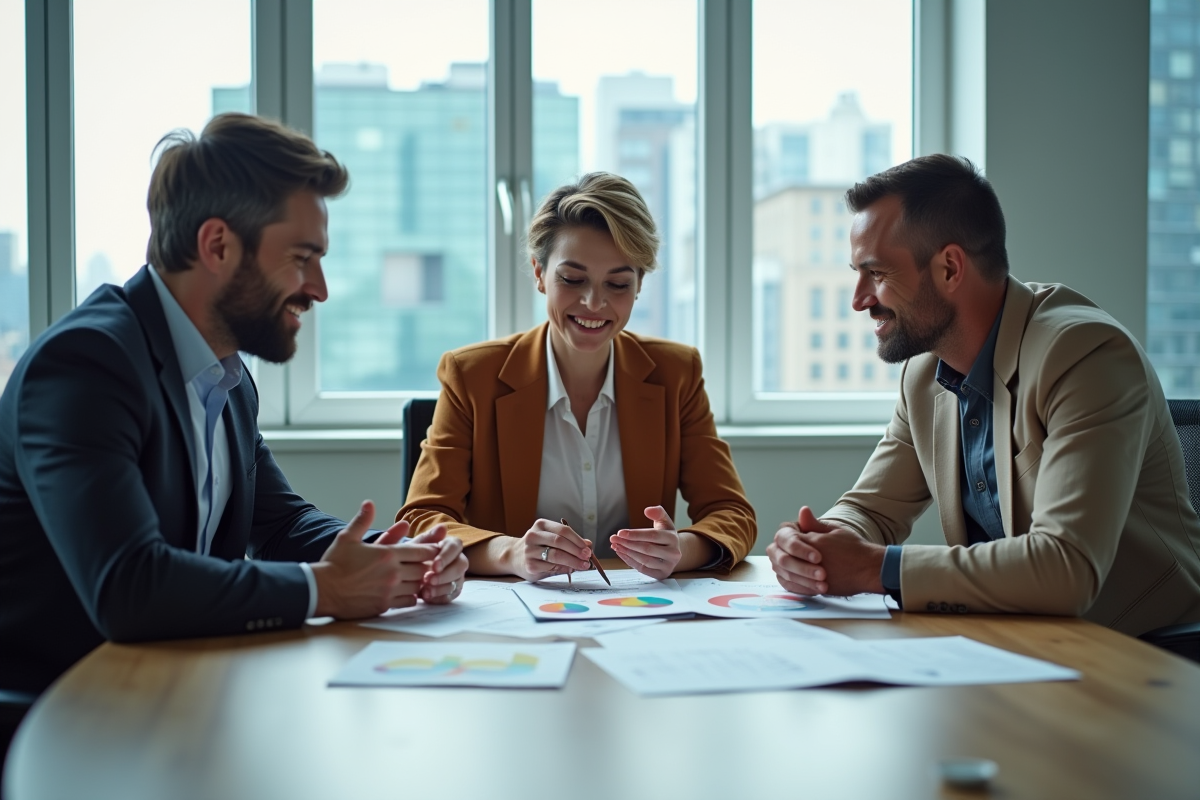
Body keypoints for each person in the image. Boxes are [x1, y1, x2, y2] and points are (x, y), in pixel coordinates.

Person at [0, 113, 469, 697]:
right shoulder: (87, 363)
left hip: (179, 691)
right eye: (302, 257)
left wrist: (392, 556)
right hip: (63, 717)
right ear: (218, 245)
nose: (319, 288)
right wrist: (325, 590)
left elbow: (279, 523)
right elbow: (127, 586)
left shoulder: (226, 376)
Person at [767, 154, 1200, 635]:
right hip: (1022, 644)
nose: (858, 299)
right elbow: (870, 509)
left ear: (950, 268)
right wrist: (817, 547)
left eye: (877, 274)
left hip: (1146, 653)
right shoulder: (924, 375)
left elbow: (1066, 568)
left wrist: (873, 568)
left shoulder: (1085, 355)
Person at [400, 172, 756, 581]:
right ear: (539, 273)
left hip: (640, 613)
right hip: (516, 615)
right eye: (572, 279)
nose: (594, 302)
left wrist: (682, 549)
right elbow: (421, 518)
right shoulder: (472, 376)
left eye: (618, 283)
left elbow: (732, 514)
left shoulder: (675, 373)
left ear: (639, 285)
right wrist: (510, 553)